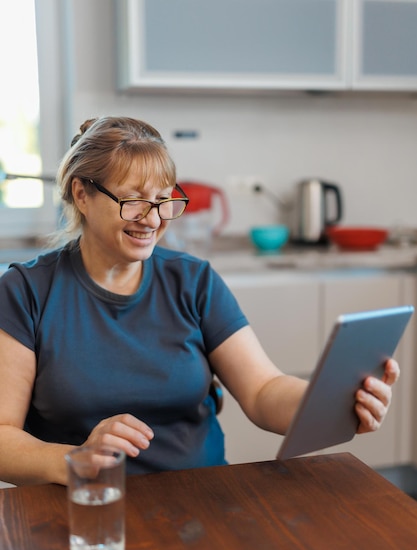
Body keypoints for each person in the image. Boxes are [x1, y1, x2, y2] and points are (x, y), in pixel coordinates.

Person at [0, 116, 400, 486]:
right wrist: (74, 460)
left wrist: (332, 403)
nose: (153, 220)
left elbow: (262, 391)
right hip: (89, 507)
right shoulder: (25, 292)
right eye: (134, 200)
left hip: (201, 501)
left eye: (162, 200)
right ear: (82, 194)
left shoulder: (192, 280)